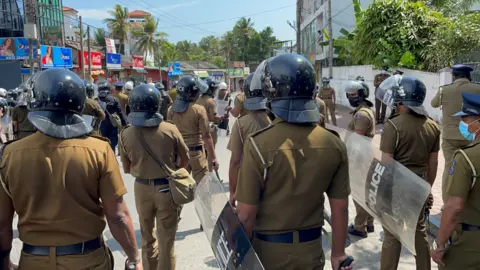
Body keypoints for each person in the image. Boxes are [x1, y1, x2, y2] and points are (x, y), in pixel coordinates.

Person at [0, 69, 142, 270]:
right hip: (87, 259)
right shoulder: (99, 150)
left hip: (33, 261)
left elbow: (2, 224)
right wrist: (134, 257)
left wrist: (5, 263)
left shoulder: (10, 154)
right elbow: (117, 216)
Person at [235, 53, 352, 270]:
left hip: (268, 255)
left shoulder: (259, 145)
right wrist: (337, 253)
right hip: (312, 251)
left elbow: (246, 215)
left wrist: (238, 257)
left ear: (272, 92)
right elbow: (340, 208)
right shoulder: (334, 144)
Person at [119, 84, 189, 270]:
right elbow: (185, 160)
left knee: (147, 238)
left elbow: (126, 168)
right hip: (167, 187)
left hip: (142, 189)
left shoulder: (125, 133)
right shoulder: (170, 129)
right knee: (167, 241)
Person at [378, 75, 440, 270]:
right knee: (419, 232)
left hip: (397, 183)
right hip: (419, 183)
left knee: (392, 233)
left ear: (400, 98)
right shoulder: (432, 126)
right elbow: (433, 161)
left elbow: (386, 162)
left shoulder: (393, 125)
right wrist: (427, 188)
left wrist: (381, 192)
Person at [431, 92, 480, 269]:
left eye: (466, 119)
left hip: (471, 244)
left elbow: (454, 208)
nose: (463, 124)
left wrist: (439, 244)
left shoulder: (467, 158)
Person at [431, 64, 480, 206]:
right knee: (473, 168)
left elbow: (434, 104)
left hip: (450, 136)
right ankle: (470, 203)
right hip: (473, 134)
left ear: (453, 76)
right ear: (469, 76)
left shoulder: (444, 90)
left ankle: (447, 202)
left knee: (449, 168)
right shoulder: (477, 89)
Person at [227, 72, 271, 207]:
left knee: (247, 220)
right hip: (277, 179)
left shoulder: (240, 124)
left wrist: (233, 192)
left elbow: (235, 162)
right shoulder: (279, 119)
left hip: (248, 180)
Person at [167, 76, 219, 183]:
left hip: (179, 155)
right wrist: (213, 158)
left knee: (181, 188)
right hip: (196, 154)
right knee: (202, 188)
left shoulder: (171, 110)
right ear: (192, 93)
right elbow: (206, 136)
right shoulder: (199, 110)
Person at [343, 80, 376, 238]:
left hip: (359, 158)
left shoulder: (362, 114)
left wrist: (351, 160)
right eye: (349, 94)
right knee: (366, 191)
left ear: (362, 94)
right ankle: (369, 222)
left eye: (354, 94)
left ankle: (360, 226)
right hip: (364, 155)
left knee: (358, 193)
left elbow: (357, 140)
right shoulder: (364, 110)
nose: (350, 97)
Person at [98, 80, 127, 153]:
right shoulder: (114, 99)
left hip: (99, 127)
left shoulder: (95, 100)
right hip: (112, 126)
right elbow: (120, 113)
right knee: (112, 146)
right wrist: (125, 124)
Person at [196, 78, 223, 147]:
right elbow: (213, 118)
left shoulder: (198, 99)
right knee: (210, 151)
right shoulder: (210, 101)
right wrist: (222, 117)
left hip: (199, 129)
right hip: (209, 129)